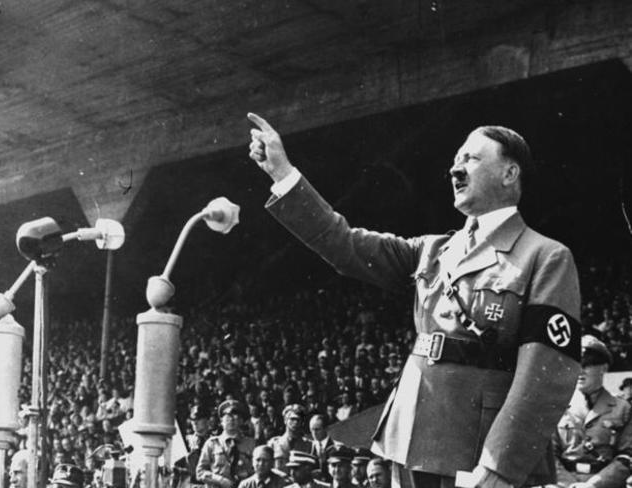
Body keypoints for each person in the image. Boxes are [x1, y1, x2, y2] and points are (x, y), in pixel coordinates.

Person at [247, 113, 582, 488]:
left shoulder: (545, 256)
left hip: (480, 452)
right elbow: (345, 245)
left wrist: (500, 466)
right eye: (455, 160)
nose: (455, 169)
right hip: (411, 439)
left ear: (509, 174)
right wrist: (284, 175)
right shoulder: (432, 251)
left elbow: (545, 377)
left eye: (470, 158)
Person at [553, 335, 632, 488]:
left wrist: (594, 485)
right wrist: (570, 484)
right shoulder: (558, 406)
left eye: (587, 364)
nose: (580, 371)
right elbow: (549, 454)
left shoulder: (623, 408)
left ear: (603, 368)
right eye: (575, 364)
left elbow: (627, 456)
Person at [197, 400, 255, 488]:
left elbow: (259, 472)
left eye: (235, 416)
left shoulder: (251, 444)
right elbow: (200, 472)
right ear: (221, 421)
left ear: (241, 421)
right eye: (227, 416)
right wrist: (220, 480)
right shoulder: (212, 444)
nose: (231, 419)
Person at [267, 405, 312, 475]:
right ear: (285, 420)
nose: (295, 422)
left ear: (302, 422)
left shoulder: (309, 445)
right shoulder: (274, 443)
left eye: (298, 420)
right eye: (292, 419)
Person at [308, 414, 334, 482]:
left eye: (317, 429)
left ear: (326, 429)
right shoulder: (308, 448)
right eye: (312, 429)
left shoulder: (337, 448)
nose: (314, 433)